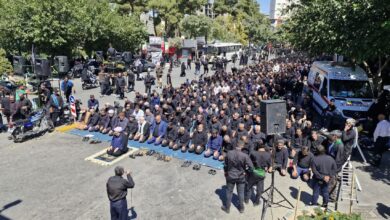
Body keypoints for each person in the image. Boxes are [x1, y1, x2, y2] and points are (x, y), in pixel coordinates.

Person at [221, 140, 254, 214]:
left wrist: (226, 172)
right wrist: (246, 171)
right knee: (241, 192)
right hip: (241, 176)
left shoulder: (229, 153)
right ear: (242, 146)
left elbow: (225, 165)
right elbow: (251, 167)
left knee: (229, 192)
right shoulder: (245, 156)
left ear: (236, 145)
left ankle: (227, 208)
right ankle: (241, 208)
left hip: (230, 175)